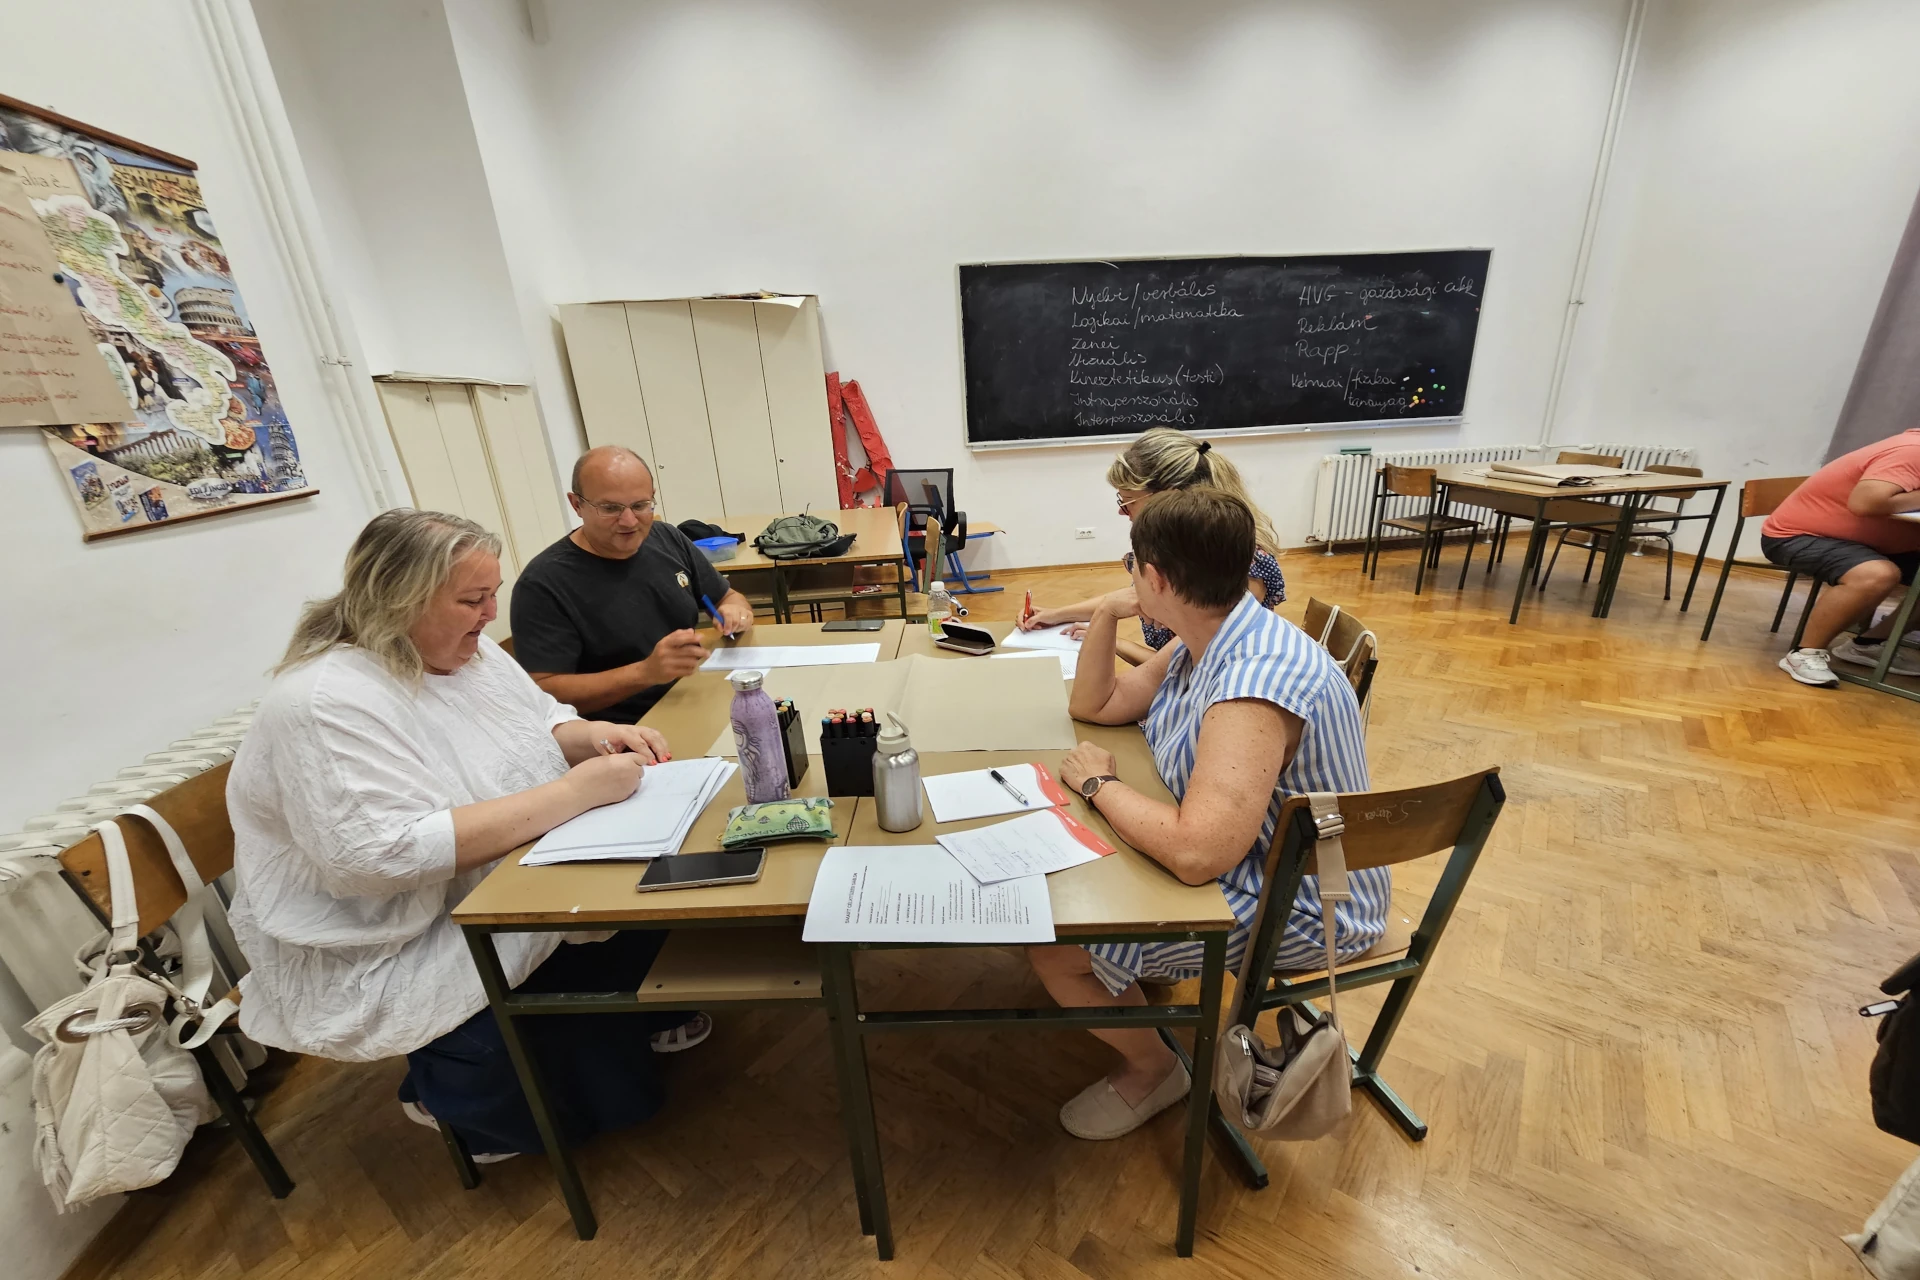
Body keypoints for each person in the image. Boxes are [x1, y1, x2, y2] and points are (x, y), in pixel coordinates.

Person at [227, 509, 709, 1161]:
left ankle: (619, 1037)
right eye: (472, 600)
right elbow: (378, 857)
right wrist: (574, 793)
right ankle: (456, 1098)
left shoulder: (464, 650)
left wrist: (594, 736)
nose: (489, 615)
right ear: (399, 600)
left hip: (503, 869)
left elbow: (540, 723)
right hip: (388, 927)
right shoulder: (324, 702)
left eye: (491, 595)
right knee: (545, 1057)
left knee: (641, 905)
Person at [1029, 488, 1385, 1140]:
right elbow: (1097, 704)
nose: (1128, 581)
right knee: (1077, 882)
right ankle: (1139, 999)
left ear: (1157, 578)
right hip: (1250, 857)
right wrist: (1107, 611)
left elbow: (1197, 854)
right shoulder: (1212, 631)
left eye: (1131, 570)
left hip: (1304, 903)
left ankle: (1156, 1071)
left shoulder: (1254, 681)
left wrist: (1100, 785)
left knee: (1055, 948)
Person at [512, 446, 756, 721]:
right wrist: (644, 673)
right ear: (576, 505)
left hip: (695, 695)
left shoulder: (667, 538)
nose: (629, 521)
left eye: (640, 506)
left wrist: (735, 611)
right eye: (610, 508)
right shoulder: (543, 584)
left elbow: (727, 597)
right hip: (624, 729)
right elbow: (545, 692)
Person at [1018, 428, 1286, 665]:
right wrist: (1057, 615)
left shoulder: (1242, 568)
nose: (1122, 512)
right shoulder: (1184, 547)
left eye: (1128, 502)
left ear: (1169, 496)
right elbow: (1134, 595)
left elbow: (1186, 670)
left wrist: (1109, 640)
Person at [1762, 428, 1920, 687]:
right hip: (1799, 535)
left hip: (1870, 542)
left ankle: (1868, 644)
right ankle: (1804, 653)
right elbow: (1866, 502)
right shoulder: (1913, 451)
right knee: (1876, 575)